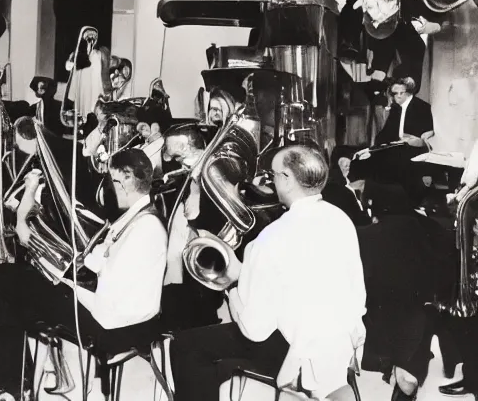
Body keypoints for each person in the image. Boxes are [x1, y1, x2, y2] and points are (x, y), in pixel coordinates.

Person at [170, 144, 366, 401]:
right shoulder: (340, 219)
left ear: (287, 179)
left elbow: (255, 330)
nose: (271, 182)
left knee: (186, 346)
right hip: (341, 345)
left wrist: (230, 287)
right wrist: (246, 272)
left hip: (297, 355)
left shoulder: (271, 238)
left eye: (273, 175)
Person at [0, 147, 167, 401]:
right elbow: (101, 258)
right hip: (115, 312)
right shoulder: (137, 217)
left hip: (115, 326)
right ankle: (19, 385)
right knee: (15, 283)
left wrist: (70, 281)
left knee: (8, 282)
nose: (111, 187)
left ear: (126, 179)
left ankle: (14, 383)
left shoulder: (145, 228)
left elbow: (106, 284)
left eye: (113, 180)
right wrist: (73, 262)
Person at [356, 188, 455, 401]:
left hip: (378, 313)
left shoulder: (365, 234)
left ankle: (399, 373)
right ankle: (406, 375)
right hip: (422, 308)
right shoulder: (430, 226)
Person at [354, 77, 434, 203]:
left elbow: (428, 136)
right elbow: (384, 134)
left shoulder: (422, 107)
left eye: (401, 93)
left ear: (409, 92)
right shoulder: (396, 109)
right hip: (395, 150)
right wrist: (372, 150)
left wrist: (420, 141)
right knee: (366, 161)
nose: (398, 97)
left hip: (413, 153)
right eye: (395, 94)